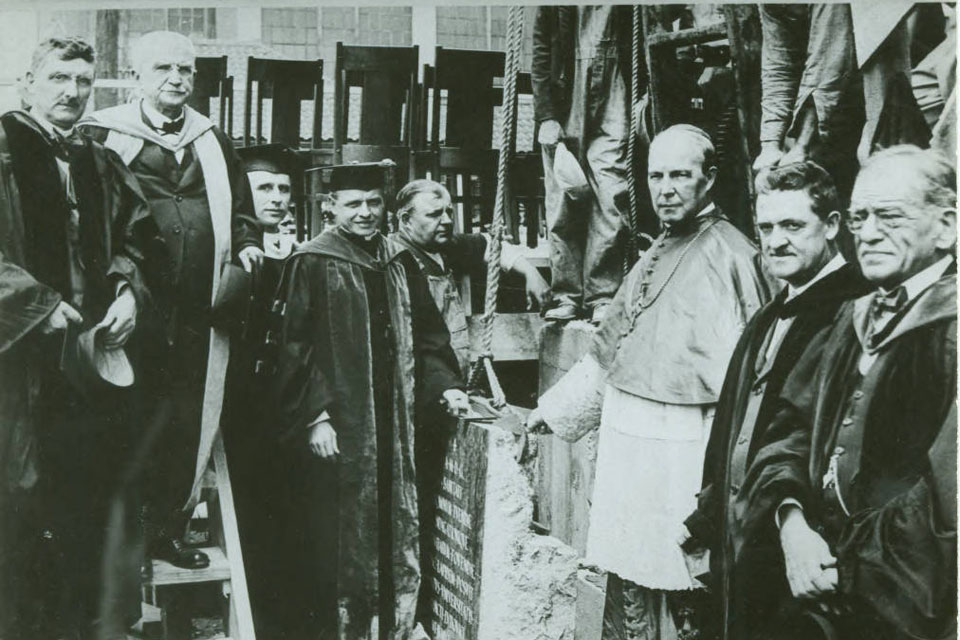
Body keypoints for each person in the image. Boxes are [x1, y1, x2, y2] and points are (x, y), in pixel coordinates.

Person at [527, 124, 771, 639]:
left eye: (680, 175)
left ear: (709, 179)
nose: (665, 188)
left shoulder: (735, 255)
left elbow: (754, 380)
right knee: (634, 590)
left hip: (686, 453)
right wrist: (551, 413)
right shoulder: (656, 248)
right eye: (656, 175)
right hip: (631, 457)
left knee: (687, 589)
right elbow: (609, 350)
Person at [742, 145, 956, 640]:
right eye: (860, 217)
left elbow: (947, 499)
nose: (870, 232)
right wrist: (791, 521)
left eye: (890, 216)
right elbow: (790, 429)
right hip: (821, 586)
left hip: (910, 599)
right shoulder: (851, 318)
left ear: (946, 226)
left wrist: (850, 563)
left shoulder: (953, 332)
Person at [81, 30, 262, 570]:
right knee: (126, 415)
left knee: (185, 416)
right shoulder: (105, 134)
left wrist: (249, 246)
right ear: (137, 75)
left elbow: (245, 211)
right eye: (163, 68)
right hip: (134, 304)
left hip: (200, 309)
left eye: (185, 70)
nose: (176, 79)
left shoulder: (212, 139)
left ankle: (166, 528)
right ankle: (117, 542)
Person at [271, 164, 469, 640]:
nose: (365, 212)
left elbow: (428, 338)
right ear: (330, 208)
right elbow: (292, 347)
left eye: (373, 202)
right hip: (340, 425)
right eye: (353, 203)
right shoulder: (311, 260)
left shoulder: (399, 260)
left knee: (393, 525)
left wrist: (445, 385)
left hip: (396, 424)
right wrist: (315, 417)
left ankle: (389, 628)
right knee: (336, 533)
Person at [679, 162, 870, 640]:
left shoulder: (856, 312)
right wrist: (706, 514)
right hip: (743, 534)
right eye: (766, 227)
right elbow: (736, 426)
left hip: (805, 539)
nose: (776, 240)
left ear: (831, 226)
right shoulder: (768, 317)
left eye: (792, 225)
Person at [0, 37, 150, 639]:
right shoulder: (6, 151)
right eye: (59, 77)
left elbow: (138, 238)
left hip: (90, 365)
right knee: (20, 505)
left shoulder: (97, 158)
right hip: (18, 375)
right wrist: (39, 304)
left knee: (88, 504)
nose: (73, 92)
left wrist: (128, 291)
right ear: (27, 83)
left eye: (85, 80)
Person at [222, 143, 301, 636]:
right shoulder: (228, 254)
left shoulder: (303, 254)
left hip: (286, 405)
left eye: (284, 189)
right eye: (264, 188)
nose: (276, 199)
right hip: (237, 406)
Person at [532, 5, 632, 324]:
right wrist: (546, 114)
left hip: (615, 84)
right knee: (563, 194)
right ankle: (566, 293)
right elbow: (541, 50)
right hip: (567, 89)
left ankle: (602, 294)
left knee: (610, 190)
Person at [391, 178, 550, 373]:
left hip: (453, 371)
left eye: (449, 211)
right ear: (406, 220)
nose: (448, 221)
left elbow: (489, 244)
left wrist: (531, 273)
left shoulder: (444, 246)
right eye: (434, 215)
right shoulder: (395, 261)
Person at [752, 5, 864, 199]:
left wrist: (802, 146)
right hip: (826, 97)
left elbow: (829, 64)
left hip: (870, 86)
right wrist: (770, 145)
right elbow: (778, 66)